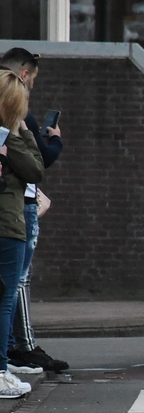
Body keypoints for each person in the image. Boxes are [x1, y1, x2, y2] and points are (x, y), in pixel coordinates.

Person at [0, 48, 68, 374]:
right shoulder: (16, 120)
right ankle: (17, 351)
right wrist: (51, 141)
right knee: (14, 285)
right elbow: (36, 165)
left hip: (15, 210)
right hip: (14, 214)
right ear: (23, 76)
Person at [0, 69, 44, 397]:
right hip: (8, 225)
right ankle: (1, 371)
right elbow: (35, 169)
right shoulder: (8, 138)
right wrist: (24, 132)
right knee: (5, 300)